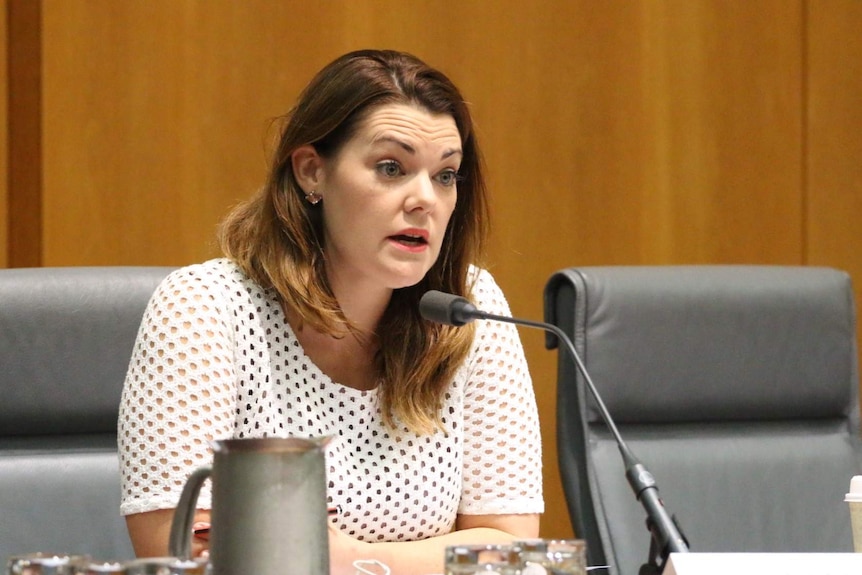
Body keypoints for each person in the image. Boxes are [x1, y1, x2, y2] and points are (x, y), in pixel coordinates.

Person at [117, 49, 543, 574]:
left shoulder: (468, 310)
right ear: (312, 172)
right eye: (392, 168)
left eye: (446, 175)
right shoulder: (205, 308)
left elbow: (515, 551)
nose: (424, 200)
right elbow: (184, 553)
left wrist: (351, 559)